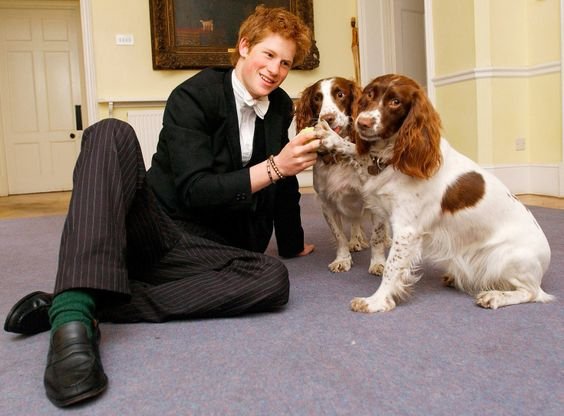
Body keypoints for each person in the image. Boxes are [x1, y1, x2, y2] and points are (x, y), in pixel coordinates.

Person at [3, 6, 319, 408]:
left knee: (273, 280)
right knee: (109, 132)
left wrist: (291, 243)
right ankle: (71, 318)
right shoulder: (195, 94)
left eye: (286, 63)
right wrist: (275, 167)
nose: (275, 69)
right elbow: (195, 190)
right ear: (243, 47)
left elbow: (285, 183)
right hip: (157, 227)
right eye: (268, 54)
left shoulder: (279, 108)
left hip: (211, 249)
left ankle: (98, 300)